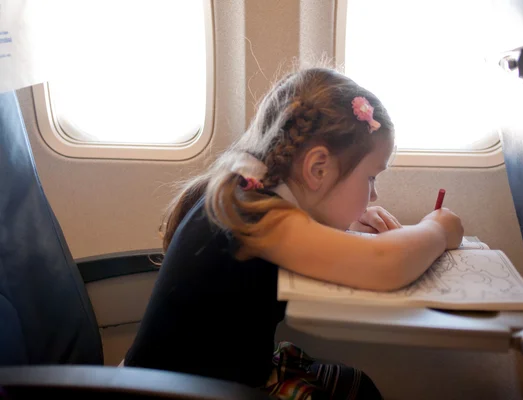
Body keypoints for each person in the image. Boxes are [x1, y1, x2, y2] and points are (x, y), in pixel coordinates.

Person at [123, 67, 464, 399]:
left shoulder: (248, 194)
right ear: (318, 169)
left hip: (213, 379)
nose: (373, 194)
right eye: (371, 178)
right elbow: (385, 264)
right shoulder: (259, 216)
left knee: (357, 385)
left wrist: (340, 225)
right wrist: (437, 228)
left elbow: (308, 236)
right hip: (177, 393)